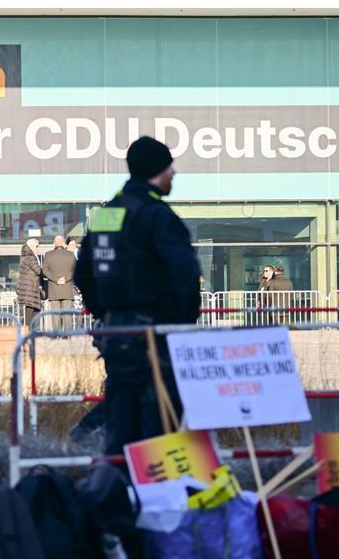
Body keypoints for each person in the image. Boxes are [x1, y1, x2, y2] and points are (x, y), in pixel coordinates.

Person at [74, 136, 201, 457]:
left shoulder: (105, 215)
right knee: (160, 430)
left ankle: (119, 495)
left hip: (117, 337)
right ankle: (155, 497)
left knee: (120, 428)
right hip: (155, 339)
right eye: (169, 166)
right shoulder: (157, 216)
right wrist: (180, 328)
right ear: (157, 171)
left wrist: (107, 314)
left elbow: (82, 275)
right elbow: (186, 277)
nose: (174, 172)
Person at [42, 235, 78, 332]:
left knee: (55, 314)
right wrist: (65, 279)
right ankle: (67, 334)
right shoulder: (70, 254)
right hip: (67, 288)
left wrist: (56, 279)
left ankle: (56, 334)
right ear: (63, 243)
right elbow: (75, 270)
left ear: (54, 243)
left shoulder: (48, 254)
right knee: (67, 313)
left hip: (54, 288)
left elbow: (45, 270)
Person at [17, 238, 44, 329]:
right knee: (30, 316)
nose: (38, 248)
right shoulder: (29, 257)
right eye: (37, 246)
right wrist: (51, 274)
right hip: (30, 291)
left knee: (35, 314)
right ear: (31, 246)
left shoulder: (28, 256)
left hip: (32, 290)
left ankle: (31, 334)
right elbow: (38, 271)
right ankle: (28, 335)